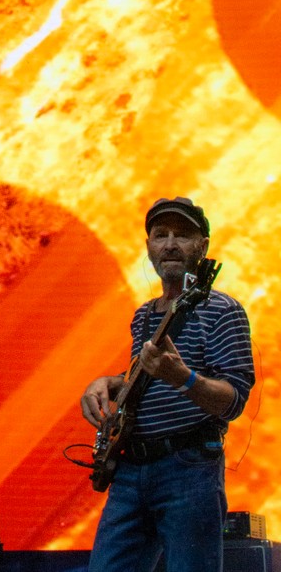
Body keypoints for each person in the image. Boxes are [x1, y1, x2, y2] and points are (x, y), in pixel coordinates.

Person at [80, 197, 254, 572]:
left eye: (182, 235)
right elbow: (141, 377)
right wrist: (107, 383)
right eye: (161, 235)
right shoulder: (143, 315)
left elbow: (234, 400)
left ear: (202, 247)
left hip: (188, 467)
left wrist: (183, 378)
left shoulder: (223, 310)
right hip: (129, 471)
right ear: (149, 247)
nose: (170, 244)